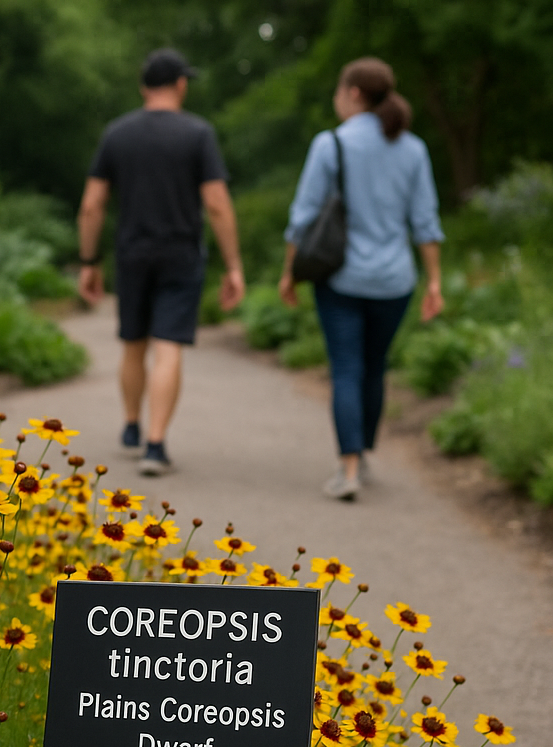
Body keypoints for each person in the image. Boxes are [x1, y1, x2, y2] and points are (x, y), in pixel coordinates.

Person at [279, 56, 445, 501]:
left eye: (339, 91)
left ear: (353, 93)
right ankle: (364, 451)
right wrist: (434, 282)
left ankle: (347, 468)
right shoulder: (412, 149)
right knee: (374, 368)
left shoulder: (330, 144)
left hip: (341, 279)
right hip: (395, 281)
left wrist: (288, 272)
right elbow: (425, 222)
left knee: (346, 369)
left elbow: (303, 216)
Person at [77, 48, 245, 476]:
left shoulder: (117, 134)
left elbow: (93, 205)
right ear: (182, 85)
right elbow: (217, 204)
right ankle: (155, 445)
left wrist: (89, 260)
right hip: (180, 253)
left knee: (133, 343)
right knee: (168, 347)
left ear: (143, 87)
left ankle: (131, 426)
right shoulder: (198, 134)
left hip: (132, 253)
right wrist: (233, 265)